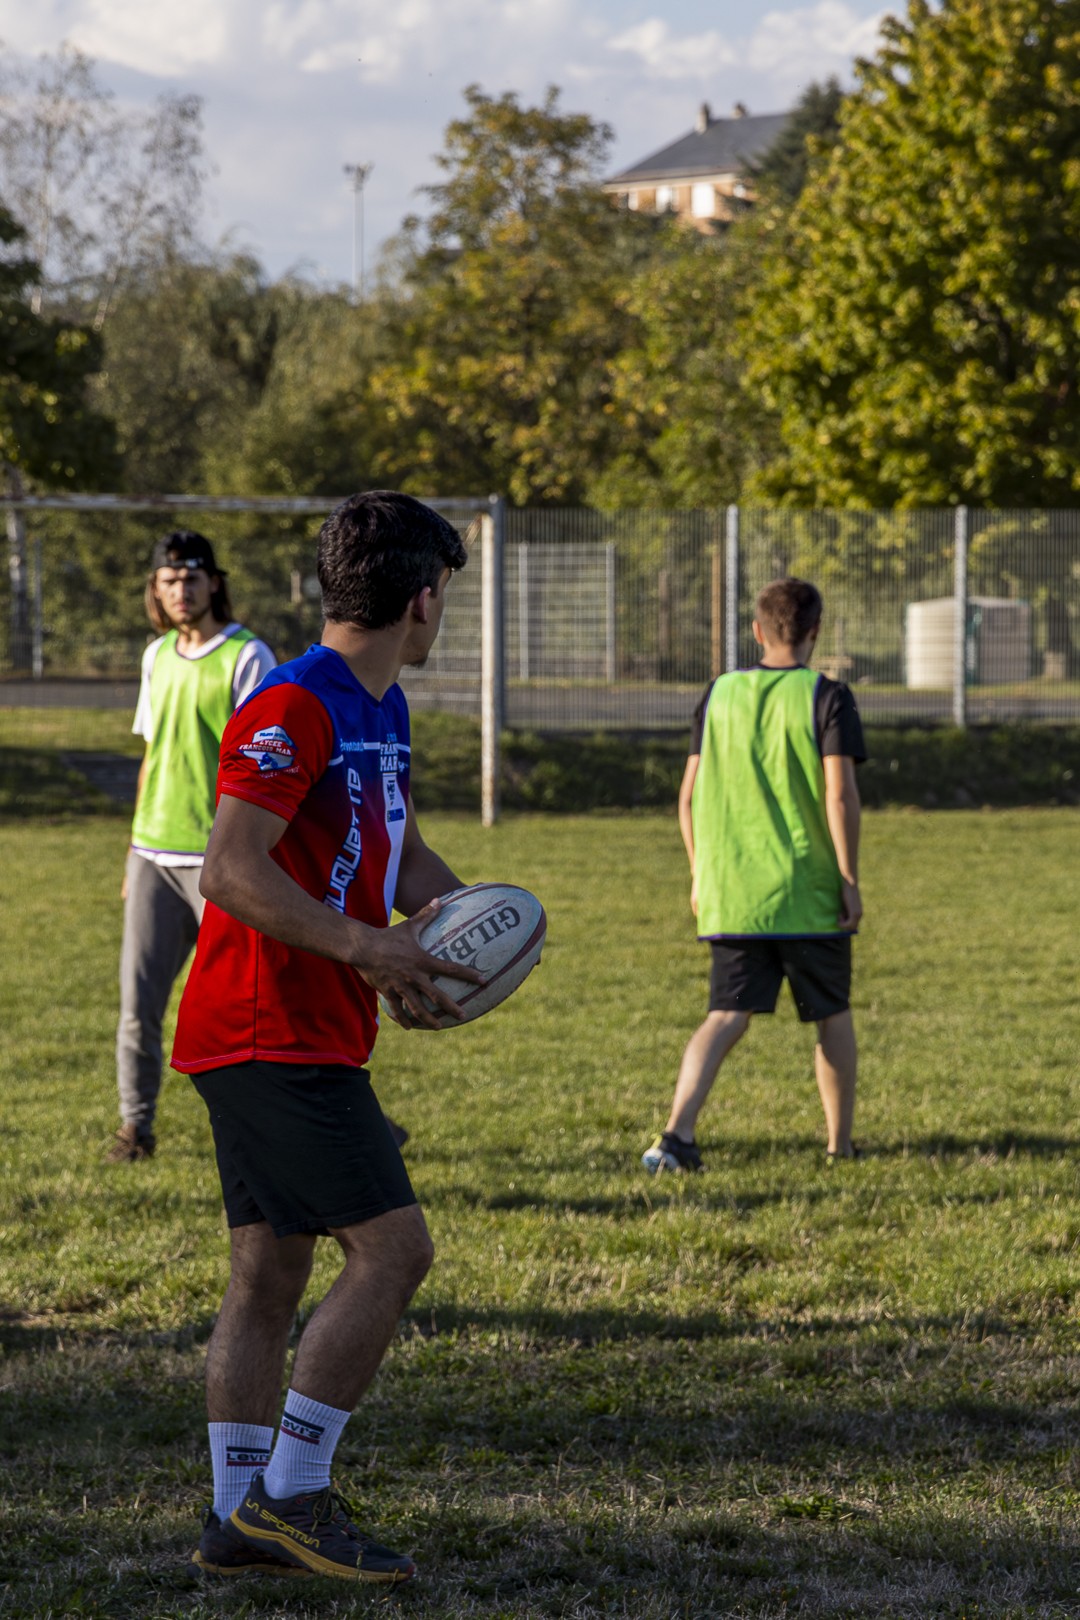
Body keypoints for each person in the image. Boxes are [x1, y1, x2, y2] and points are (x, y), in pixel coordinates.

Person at [172, 491, 483, 1585]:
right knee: (395, 1252)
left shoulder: (379, 707)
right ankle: (293, 1495)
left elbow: (398, 853)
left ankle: (236, 1518)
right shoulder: (294, 703)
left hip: (296, 1030)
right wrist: (368, 948)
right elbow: (230, 870)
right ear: (423, 599)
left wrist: (470, 927)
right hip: (269, 1030)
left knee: (269, 1271)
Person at [642, 576, 866, 1174]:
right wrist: (848, 877)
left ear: (757, 631)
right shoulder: (827, 696)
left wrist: (700, 873)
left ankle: (677, 1135)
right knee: (831, 1014)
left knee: (725, 1015)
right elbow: (839, 795)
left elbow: (688, 797)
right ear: (815, 630)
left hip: (734, 891)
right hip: (808, 891)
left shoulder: (720, 693)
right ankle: (839, 1146)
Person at [107, 532, 277, 1163]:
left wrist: (255, 860)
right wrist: (132, 850)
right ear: (156, 589)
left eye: (191, 577)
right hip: (152, 854)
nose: (181, 589)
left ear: (214, 583)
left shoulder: (247, 655)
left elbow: (264, 768)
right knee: (138, 1006)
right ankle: (135, 1130)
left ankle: (334, 1120)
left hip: (221, 865)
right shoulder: (156, 656)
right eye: (169, 580)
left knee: (255, 1008)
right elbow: (154, 753)